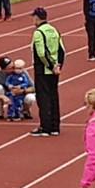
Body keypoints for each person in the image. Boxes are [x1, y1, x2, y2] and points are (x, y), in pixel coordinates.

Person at [30, 7, 65, 137]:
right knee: (54, 96)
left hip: (43, 70)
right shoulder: (54, 30)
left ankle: (45, 127)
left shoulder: (38, 32)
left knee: (43, 98)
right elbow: (62, 50)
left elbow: (41, 53)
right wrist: (58, 66)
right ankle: (55, 127)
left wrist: (50, 66)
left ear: (37, 18)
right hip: (55, 70)